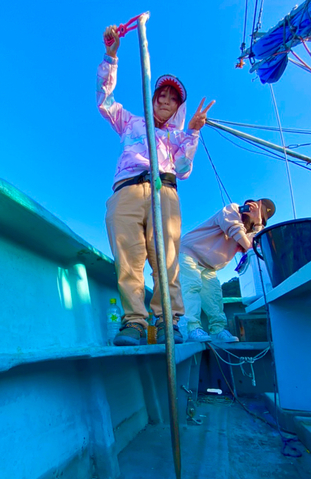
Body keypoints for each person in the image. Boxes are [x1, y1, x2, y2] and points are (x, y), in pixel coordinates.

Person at [97, 25, 215, 346]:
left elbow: (184, 169)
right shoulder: (132, 121)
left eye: (172, 98)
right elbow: (105, 101)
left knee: (166, 261)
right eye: (161, 94)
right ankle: (134, 322)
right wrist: (111, 56)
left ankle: (167, 321)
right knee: (128, 259)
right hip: (127, 190)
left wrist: (193, 133)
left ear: (178, 107)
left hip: (165, 192)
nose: (164, 100)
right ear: (153, 98)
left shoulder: (179, 136)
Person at [179, 198, 276, 343]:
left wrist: (257, 224)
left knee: (214, 298)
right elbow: (237, 233)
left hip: (210, 266)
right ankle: (191, 329)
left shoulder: (247, 231)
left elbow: (254, 247)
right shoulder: (232, 210)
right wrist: (255, 220)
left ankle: (218, 330)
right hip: (189, 253)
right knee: (191, 288)